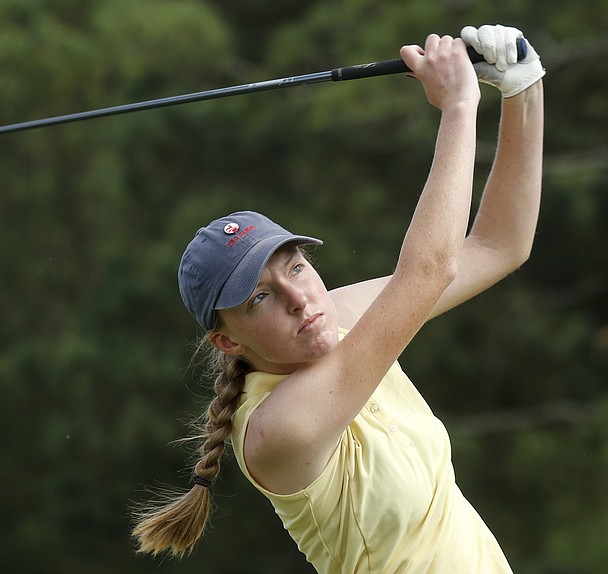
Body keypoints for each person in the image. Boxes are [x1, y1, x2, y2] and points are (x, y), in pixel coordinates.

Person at [131, 24, 545, 573]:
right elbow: (429, 270)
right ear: (227, 340)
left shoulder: (338, 320)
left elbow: (498, 245)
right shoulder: (278, 430)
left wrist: (522, 88)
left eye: (296, 268)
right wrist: (459, 105)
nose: (298, 299)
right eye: (259, 299)